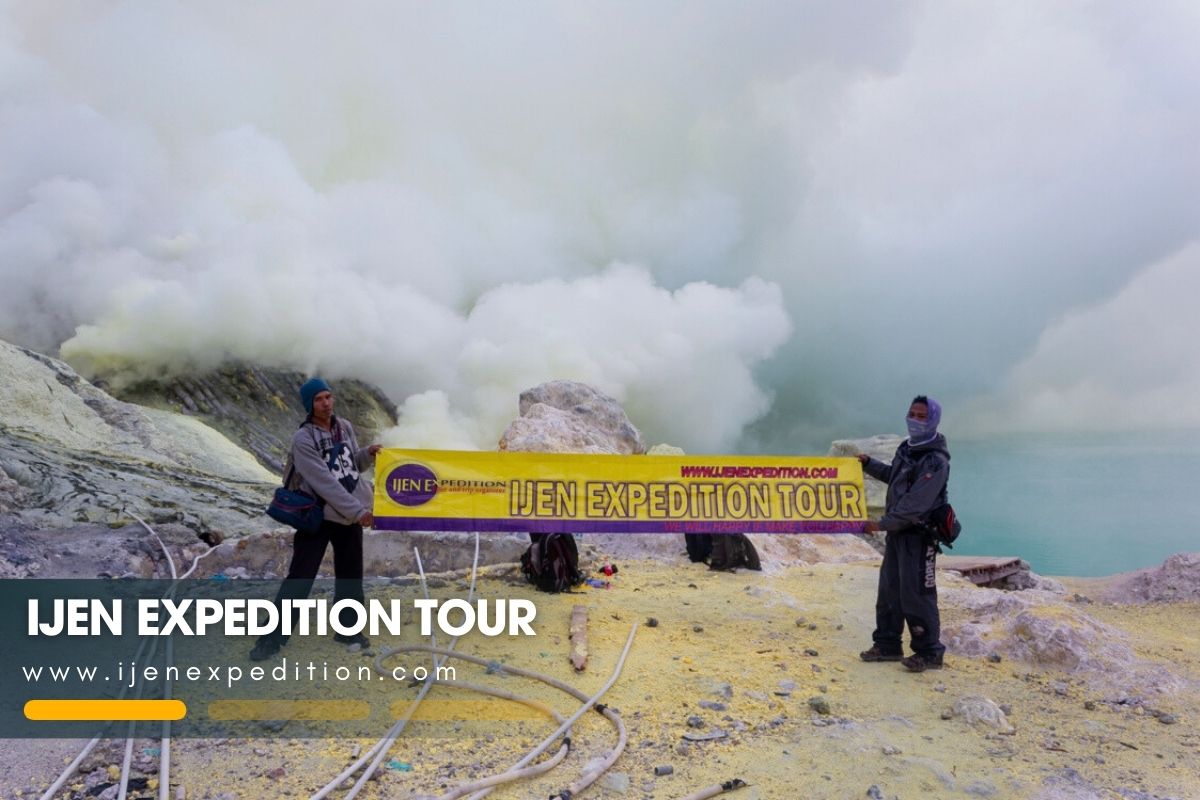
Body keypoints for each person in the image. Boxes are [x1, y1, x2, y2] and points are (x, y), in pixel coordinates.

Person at [250, 377, 382, 661]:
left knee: (350, 575)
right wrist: (358, 511)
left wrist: (367, 455)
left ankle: (347, 629)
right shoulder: (303, 438)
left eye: (329, 396)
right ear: (309, 404)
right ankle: (271, 639)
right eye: (319, 399)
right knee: (300, 576)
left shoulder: (343, 426)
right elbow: (323, 481)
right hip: (318, 514)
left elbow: (350, 465)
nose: (326, 403)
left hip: (346, 515)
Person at [857, 395, 950, 672]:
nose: (915, 420)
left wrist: (882, 523)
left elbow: (916, 503)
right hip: (898, 535)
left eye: (922, 416)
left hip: (919, 536)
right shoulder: (906, 449)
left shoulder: (935, 460)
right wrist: (869, 464)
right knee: (890, 590)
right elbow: (895, 477)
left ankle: (929, 651)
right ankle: (887, 644)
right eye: (912, 414)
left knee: (917, 593)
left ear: (933, 419)